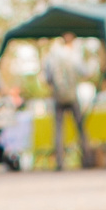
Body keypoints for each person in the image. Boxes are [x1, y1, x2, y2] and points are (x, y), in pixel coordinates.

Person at [42, 37, 88, 171]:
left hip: (58, 96)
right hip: (72, 95)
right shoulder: (73, 55)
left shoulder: (51, 57)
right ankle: (86, 158)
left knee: (58, 128)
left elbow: (48, 78)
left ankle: (59, 161)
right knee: (80, 126)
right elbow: (84, 71)